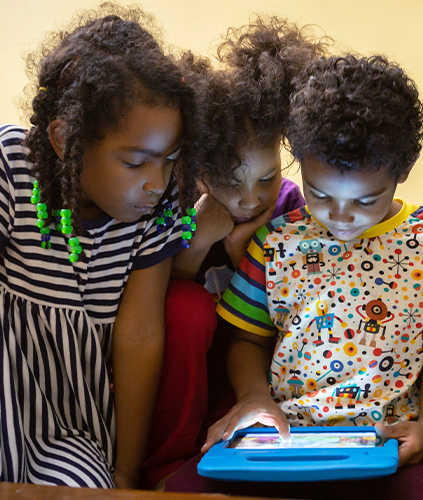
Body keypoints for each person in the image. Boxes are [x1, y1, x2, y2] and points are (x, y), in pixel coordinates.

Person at [165, 54, 423, 499]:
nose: (340, 216)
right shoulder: (275, 239)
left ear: (402, 172)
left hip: (384, 440)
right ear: (298, 161)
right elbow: (246, 339)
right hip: (282, 438)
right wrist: (254, 397)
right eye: (319, 194)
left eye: (366, 200)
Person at [0, 4, 197, 489]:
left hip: (69, 427)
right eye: (135, 163)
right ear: (66, 139)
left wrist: (125, 471)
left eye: (169, 161)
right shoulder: (10, 165)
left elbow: (139, 337)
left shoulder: (161, 207)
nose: (157, 182)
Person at [141, 17, 327, 489]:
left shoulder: (289, 208)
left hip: (258, 364)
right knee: (185, 308)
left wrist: (254, 253)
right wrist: (200, 240)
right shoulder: (179, 204)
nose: (248, 199)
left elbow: (310, 304)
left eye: (266, 178)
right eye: (229, 181)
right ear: (198, 167)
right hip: (190, 363)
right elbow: (152, 296)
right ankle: (168, 462)